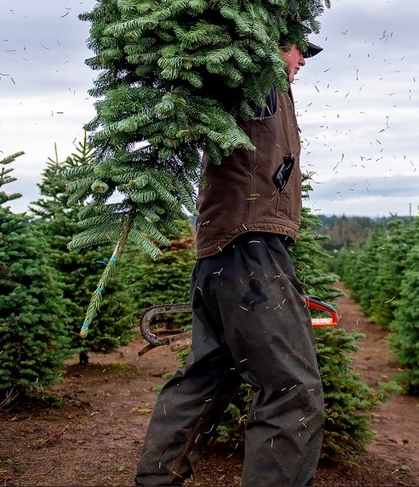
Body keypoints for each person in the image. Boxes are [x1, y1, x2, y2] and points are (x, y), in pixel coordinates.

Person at [135, 40, 326, 487]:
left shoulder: (268, 91)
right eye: (300, 53)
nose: (303, 64)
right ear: (278, 46)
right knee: (293, 391)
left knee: (207, 377)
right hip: (250, 248)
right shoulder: (254, 77)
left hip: (225, 253)